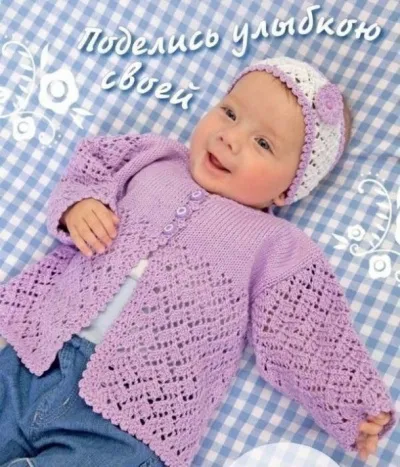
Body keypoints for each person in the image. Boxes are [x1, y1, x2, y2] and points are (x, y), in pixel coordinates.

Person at [0, 56, 396, 467]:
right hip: (34, 357)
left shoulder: (275, 246)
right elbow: (93, 167)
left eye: (263, 143)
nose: (230, 138)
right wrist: (80, 204)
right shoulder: (154, 157)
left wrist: (354, 407)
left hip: (133, 420)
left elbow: (306, 334)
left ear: (287, 189)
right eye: (230, 113)